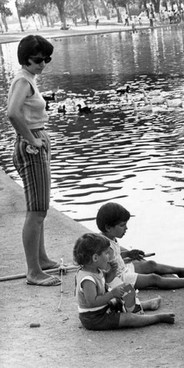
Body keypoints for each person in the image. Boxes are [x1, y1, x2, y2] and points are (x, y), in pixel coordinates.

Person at [7, 35, 60, 287]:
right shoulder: (22, 81)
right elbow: (12, 113)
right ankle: (33, 271)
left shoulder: (28, 79)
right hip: (31, 145)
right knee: (36, 211)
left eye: (46, 59)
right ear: (25, 58)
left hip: (35, 140)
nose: (43, 64)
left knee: (41, 208)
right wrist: (31, 139)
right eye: (38, 59)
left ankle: (42, 259)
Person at [96, 202, 184, 290]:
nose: (126, 228)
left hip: (123, 269)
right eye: (122, 225)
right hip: (121, 278)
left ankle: (181, 270)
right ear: (108, 228)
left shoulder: (109, 238)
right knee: (154, 279)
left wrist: (128, 254)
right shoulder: (103, 246)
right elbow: (105, 271)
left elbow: (114, 256)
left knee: (151, 264)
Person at [74, 233, 175, 330]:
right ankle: (157, 318)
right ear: (95, 258)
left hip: (104, 307)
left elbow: (107, 280)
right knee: (128, 318)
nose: (109, 256)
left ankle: (144, 305)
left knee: (126, 291)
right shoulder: (88, 280)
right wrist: (112, 294)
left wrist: (112, 272)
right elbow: (92, 302)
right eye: (106, 253)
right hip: (94, 317)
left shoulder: (96, 269)